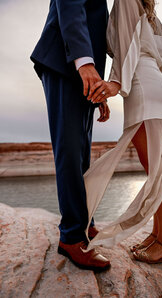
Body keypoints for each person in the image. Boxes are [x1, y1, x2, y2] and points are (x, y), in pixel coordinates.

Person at [83, 0, 162, 264]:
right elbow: (160, 52)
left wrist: (116, 82)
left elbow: (126, 42)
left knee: (157, 169)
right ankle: (158, 234)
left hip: (142, 83)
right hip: (155, 83)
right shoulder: (149, 11)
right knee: (156, 166)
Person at [30, 0, 111, 271]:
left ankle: (84, 223)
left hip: (78, 67)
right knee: (70, 149)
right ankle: (72, 237)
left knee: (82, 151)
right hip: (65, 61)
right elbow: (70, 6)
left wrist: (96, 81)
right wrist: (85, 64)